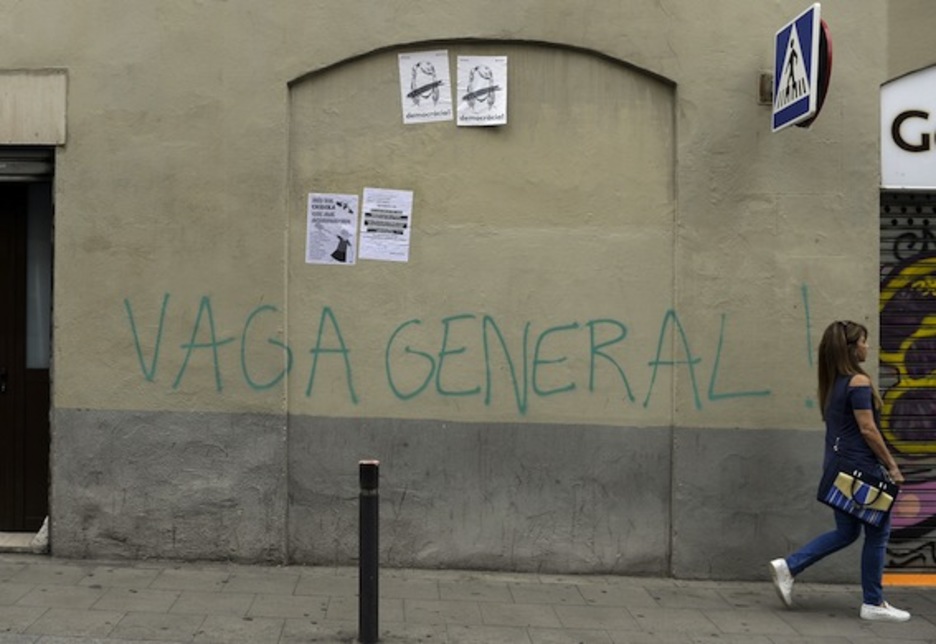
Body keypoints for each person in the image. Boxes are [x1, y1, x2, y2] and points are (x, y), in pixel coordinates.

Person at [769, 320, 910, 622]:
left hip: (839, 468)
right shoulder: (858, 383)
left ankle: (790, 566)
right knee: (878, 533)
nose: (867, 346)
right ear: (852, 348)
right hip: (861, 470)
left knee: (847, 532)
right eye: (864, 341)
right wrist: (892, 465)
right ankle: (873, 603)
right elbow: (868, 429)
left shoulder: (834, 383)